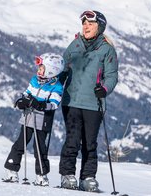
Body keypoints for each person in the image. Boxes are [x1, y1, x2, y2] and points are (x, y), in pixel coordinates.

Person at [59, 10, 119, 192]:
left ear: (99, 27)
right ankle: (67, 175)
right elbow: (62, 69)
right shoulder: (75, 45)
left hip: (94, 103)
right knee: (72, 140)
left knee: (90, 143)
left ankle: (87, 177)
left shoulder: (107, 49)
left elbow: (112, 76)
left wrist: (105, 89)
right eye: (84, 23)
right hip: (71, 101)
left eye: (90, 24)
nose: (86, 26)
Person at [2, 53, 65, 186]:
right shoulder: (35, 80)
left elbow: (54, 104)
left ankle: (41, 175)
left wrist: (41, 105)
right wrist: (22, 101)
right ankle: (11, 170)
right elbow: (27, 93)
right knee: (20, 143)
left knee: (39, 148)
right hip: (28, 117)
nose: (38, 71)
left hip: (42, 121)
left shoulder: (57, 87)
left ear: (51, 70)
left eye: (42, 68)